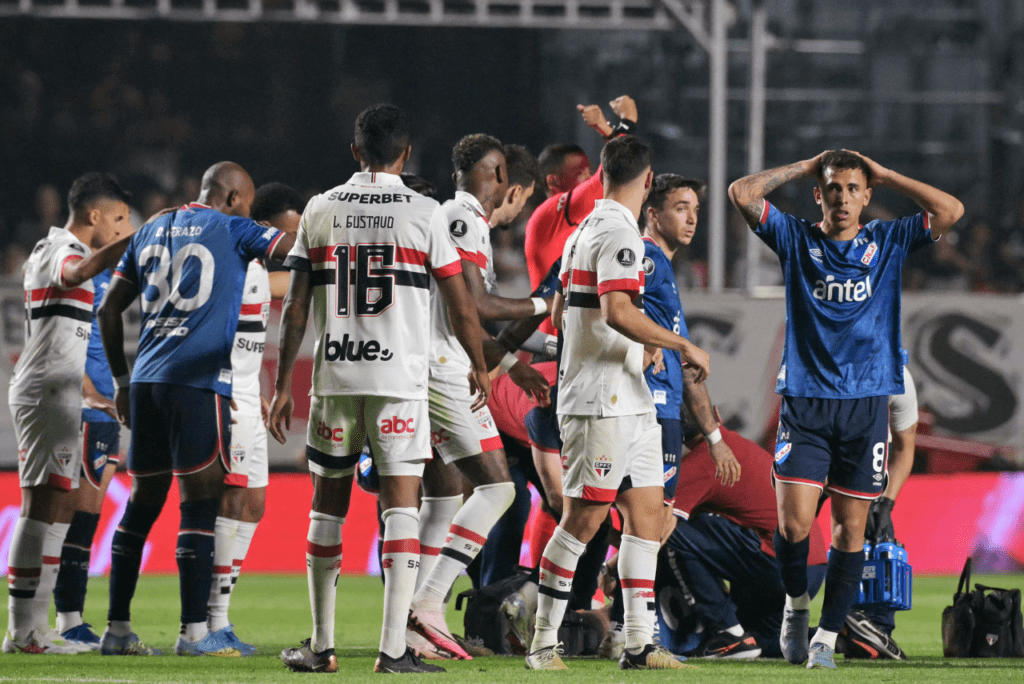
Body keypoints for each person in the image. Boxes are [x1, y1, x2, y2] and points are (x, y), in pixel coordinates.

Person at [267, 103, 489, 674]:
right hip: (400, 382)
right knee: (401, 508)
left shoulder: (319, 208)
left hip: (336, 377)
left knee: (328, 506)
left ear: (355, 150)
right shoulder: (425, 212)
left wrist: (283, 386)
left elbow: (295, 305)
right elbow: (461, 304)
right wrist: (480, 365)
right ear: (406, 154)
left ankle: (322, 645)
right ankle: (392, 652)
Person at [728, 149, 964, 669]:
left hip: (865, 404)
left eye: (853, 188)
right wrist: (806, 164)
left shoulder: (887, 241)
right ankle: (796, 607)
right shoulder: (796, 239)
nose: (842, 197)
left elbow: (950, 211)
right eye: (832, 187)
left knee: (849, 530)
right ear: (820, 194)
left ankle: (824, 639)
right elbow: (742, 193)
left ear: (866, 196)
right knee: (793, 527)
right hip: (807, 403)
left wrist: (887, 172)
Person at [526, 135, 711, 671]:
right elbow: (616, 311)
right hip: (599, 402)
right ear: (649, 181)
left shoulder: (583, 229)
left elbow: (561, 313)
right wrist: (677, 342)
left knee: (646, 518)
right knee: (584, 520)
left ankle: (638, 643)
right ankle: (541, 642)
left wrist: (641, 343)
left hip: (629, 399)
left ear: (602, 175)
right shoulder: (620, 236)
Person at [98, 162, 294, 657]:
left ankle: (116, 630)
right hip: (199, 383)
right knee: (200, 508)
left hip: (144, 382)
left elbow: (107, 309)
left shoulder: (150, 228)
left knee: (142, 505)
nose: (251, 214)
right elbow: (295, 252)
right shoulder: (231, 227)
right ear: (232, 198)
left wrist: (121, 382)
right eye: (248, 204)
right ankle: (194, 633)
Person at [407, 134, 551, 661]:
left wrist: (509, 363)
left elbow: (462, 314)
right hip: (442, 371)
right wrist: (543, 303)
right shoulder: (464, 218)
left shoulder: (455, 218)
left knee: (443, 497)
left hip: (432, 365)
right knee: (498, 489)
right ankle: (426, 604)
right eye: (522, 196)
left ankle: (411, 625)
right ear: (501, 181)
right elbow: (480, 305)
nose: (518, 207)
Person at [5, 173, 134, 654]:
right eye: (120, 220)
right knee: (38, 509)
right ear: (94, 216)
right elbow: (76, 276)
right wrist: (140, 239)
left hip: (60, 391)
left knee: (54, 506)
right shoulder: (63, 251)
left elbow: (60, 336)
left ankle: (38, 628)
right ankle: (22, 632)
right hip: (44, 394)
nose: (124, 229)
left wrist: (91, 393)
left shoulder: (56, 253)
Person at [204, 182, 303, 655]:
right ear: (264, 229)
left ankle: (215, 613)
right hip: (225, 395)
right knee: (235, 499)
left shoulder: (263, 271)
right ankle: (210, 619)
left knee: (256, 504)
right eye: (289, 233)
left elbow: (297, 280)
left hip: (249, 393)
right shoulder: (237, 263)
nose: (294, 244)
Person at [657, 422, 828, 659]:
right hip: (813, 570)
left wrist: (611, 568)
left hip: (778, 566)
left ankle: (728, 632)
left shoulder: (700, 461)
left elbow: (657, 530)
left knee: (675, 535)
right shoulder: (738, 444)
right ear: (715, 414)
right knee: (765, 643)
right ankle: (837, 637)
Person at [523, 96, 636, 342]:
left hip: (573, 345)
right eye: (579, 174)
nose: (588, 179)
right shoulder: (550, 214)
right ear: (553, 181)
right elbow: (612, 171)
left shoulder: (575, 220)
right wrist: (626, 122)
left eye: (589, 170)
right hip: (555, 347)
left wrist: (608, 130)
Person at [52, 265, 122, 649]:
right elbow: (64, 340)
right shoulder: (78, 274)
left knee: (88, 515)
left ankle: (70, 620)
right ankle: (65, 619)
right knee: (73, 515)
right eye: (119, 218)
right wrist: (88, 391)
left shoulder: (115, 275)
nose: (125, 226)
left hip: (107, 410)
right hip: (87, 410)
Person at [838, 364, 918, 661]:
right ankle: (842, 626)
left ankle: (875, 633)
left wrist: (886, 503)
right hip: (825, 471)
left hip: (869, 477)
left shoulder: (900, 378)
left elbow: (904, 448)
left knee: (883, 548)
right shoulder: (824, 372)